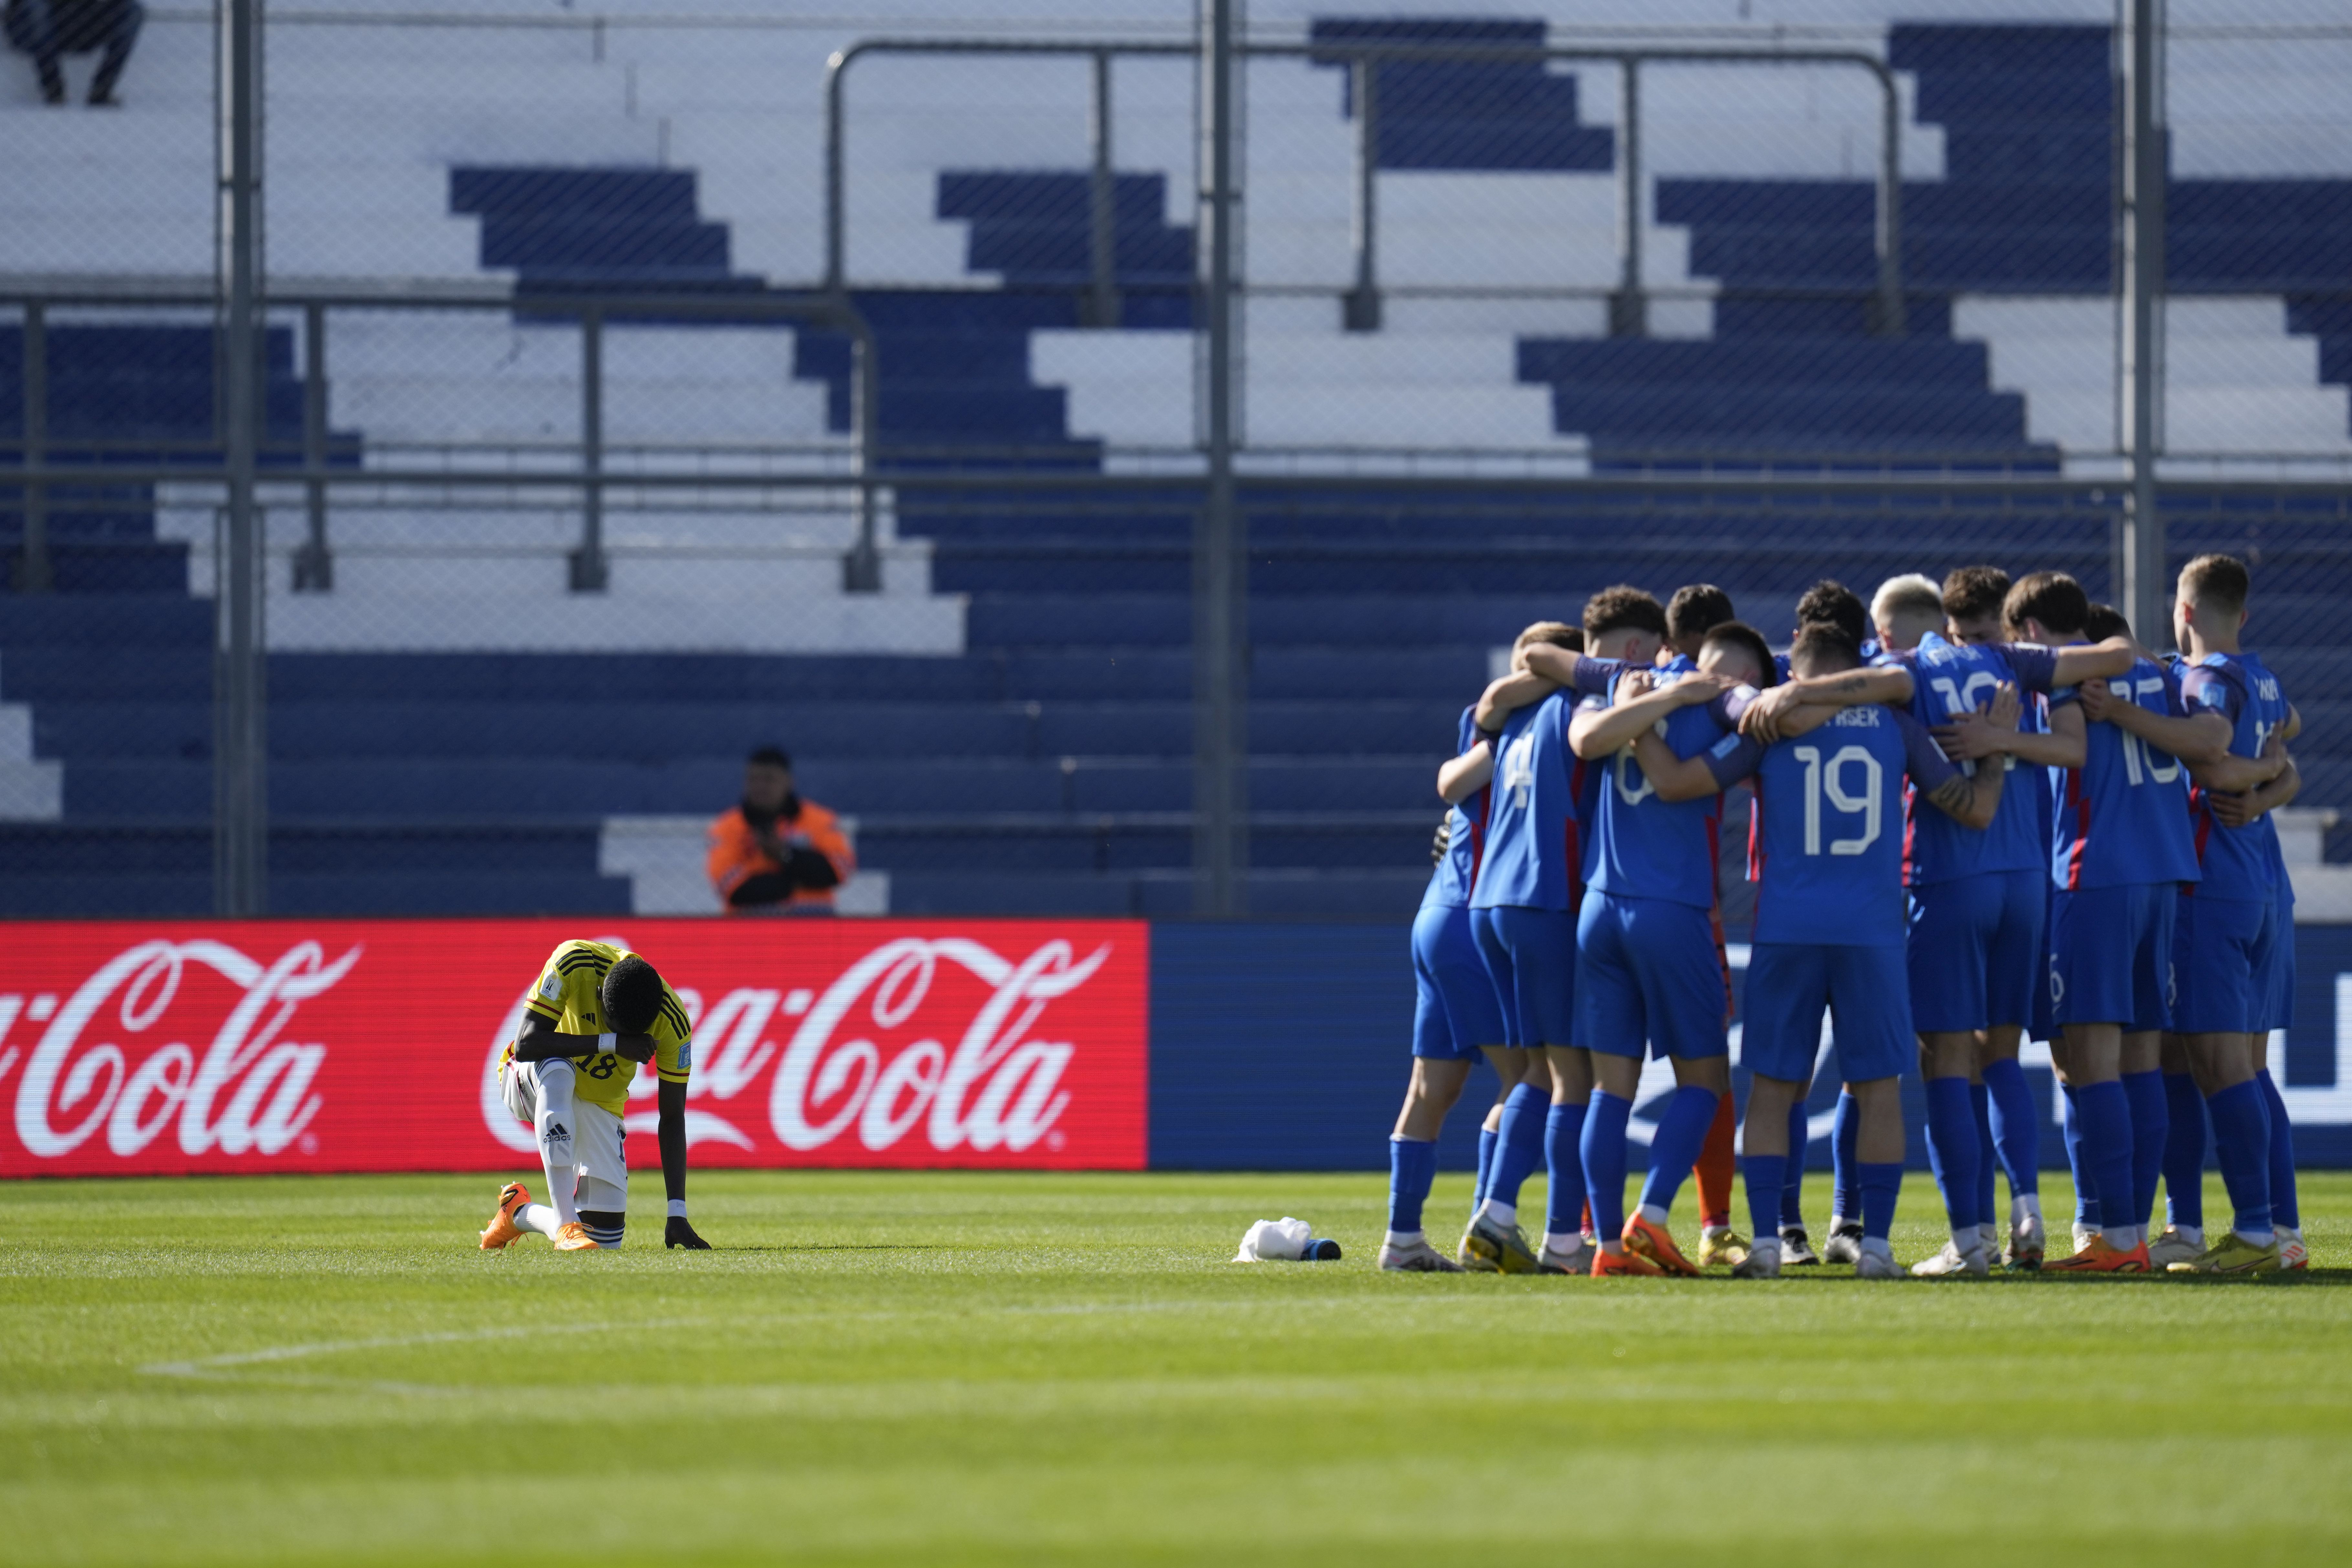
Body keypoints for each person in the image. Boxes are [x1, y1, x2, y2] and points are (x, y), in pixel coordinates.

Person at [1630, 622, 2011, 1276]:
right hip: (1870, 931)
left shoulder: (1767, 729)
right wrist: (1996, 750)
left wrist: (1636, 723)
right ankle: (1878, 1248)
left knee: (1773, 1090)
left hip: (1786, 929)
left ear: (1795, 673)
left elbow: (1675, 784)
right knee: (1878, 1089)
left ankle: (1768, 1246)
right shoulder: (1896, 728)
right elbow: (1973, 809)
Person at [1868, 571, 2135, 1272]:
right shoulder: (2021, 670)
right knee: (2001, 1053)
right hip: (2027, 882)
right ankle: (2028, 1211)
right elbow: (2112, 659)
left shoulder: (1916, 671)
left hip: (1951, 877)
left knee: (1945, 1060)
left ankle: (1971, 1240)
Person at [2089, 556, 2300, 1274]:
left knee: (2218, 1064)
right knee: (2199, 1059)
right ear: (2238, 614)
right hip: (2261, 886)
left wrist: (2117, 709)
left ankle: (2253, 1232)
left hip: (2209, 890)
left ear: (2182, 612)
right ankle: (2251, 1227)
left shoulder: (2204, 680)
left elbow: (2209, 749)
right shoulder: (2260, 676)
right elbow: (2285, 733)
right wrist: (2271, 778)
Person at [1567, 616, 1771, 1276]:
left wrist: (1647, 705)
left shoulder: (1624, 687)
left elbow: (1588, 739)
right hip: (1671, 908)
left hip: (1599, 906)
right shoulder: (1720, 705)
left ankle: (1602, 1247)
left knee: (1609, 1088)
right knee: (1704, 1077)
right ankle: (1650, 1219)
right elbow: (1733, 736)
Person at [1380, 623, 1585, 1273]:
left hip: (1436, 911)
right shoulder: (1555, 725)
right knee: (1530, 1074)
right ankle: (1486, 1230)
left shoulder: (1484, 717)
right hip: (1480, 912)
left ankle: (1403, 1238)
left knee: (1431, 1087)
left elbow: (1450, 783)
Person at [1452, 620, 1627, 1273]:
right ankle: (1552, 1235)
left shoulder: (1509, 716)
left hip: (1490, 900)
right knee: (1567, 1074)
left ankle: (1496, 1216)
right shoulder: (1576, 707)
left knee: (1530, 1068)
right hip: (1545, 896)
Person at [480, 940, 710, 1252]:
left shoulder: (672, 1022)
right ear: (601, 996)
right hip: (530, 1079)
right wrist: (610, 1043)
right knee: (560, 1070)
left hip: (600, 1106)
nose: (627, 1040)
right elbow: (527, 1043)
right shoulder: (574, 962)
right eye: (619, 1029)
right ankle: (565, 1224)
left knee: (603, 1240)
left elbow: (672, 1116)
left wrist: (677, 1212)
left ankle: (517, 1212)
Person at [707, 745, 857, 914]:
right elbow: (732, 888)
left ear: (789, 782)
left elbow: (839, 871)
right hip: (749, 921)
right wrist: (799, 879)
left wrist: (785, 855)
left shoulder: (819, 820)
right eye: (753, 780)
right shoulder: (727, 826)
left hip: (811, 919)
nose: (760, 787)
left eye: (769, 780)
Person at [4, 0, 141, 106]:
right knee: (36, 8)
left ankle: (101, 92)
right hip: (29, 29)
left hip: (78, 26)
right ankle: (54, 92)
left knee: (132, 11)